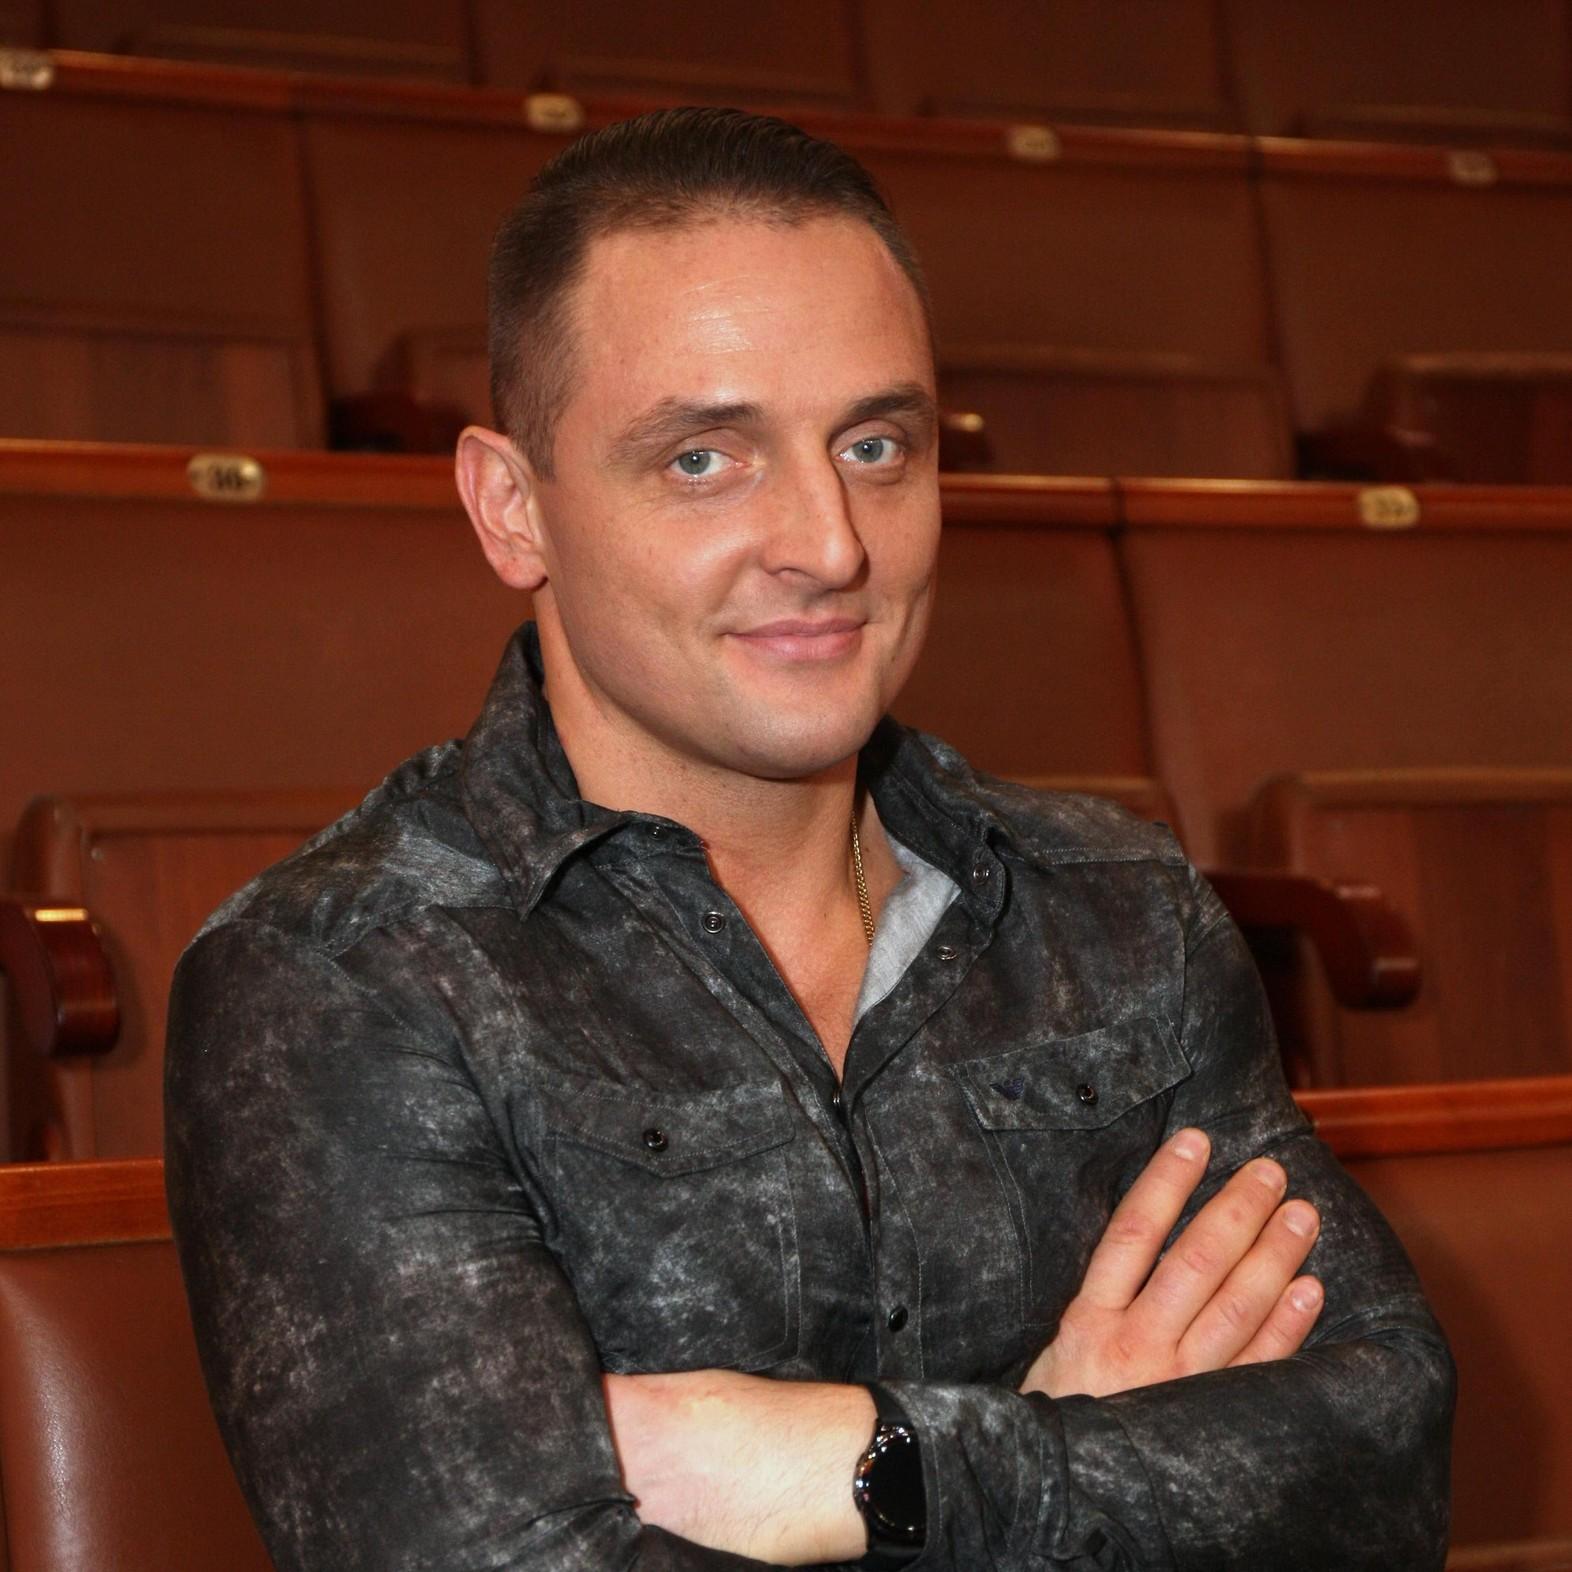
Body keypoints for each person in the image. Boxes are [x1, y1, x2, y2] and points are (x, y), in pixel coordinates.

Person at [165, 107, 1454, 1570]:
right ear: (513, 508)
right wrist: (1064, 1453)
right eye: (704, 460)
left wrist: (873, 1467)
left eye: (875, 444)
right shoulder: (346, 983)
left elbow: (1381, 1473)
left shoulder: (1122, 913)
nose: (832, 543)